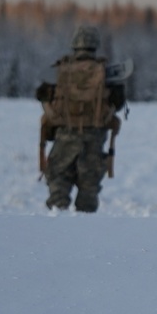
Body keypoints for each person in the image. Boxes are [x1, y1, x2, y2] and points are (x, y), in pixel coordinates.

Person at [42, 25, 125, 212]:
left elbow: (48, 98)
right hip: (94, 137)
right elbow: (117, 103)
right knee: (89, 188)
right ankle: (84, 232)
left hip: (65, 135)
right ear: (95, 45)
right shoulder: (105, 71)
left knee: (58, 182)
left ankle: (56, 224)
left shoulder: (62, 69)